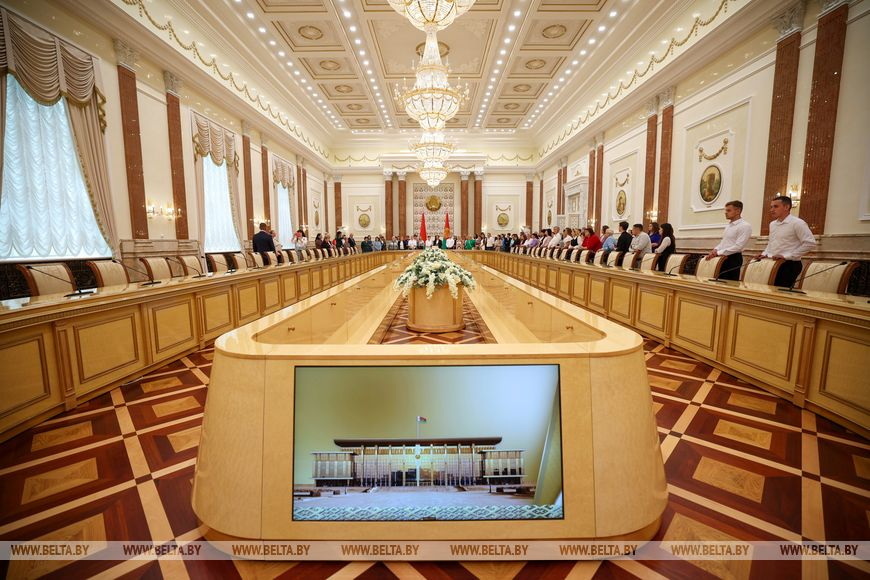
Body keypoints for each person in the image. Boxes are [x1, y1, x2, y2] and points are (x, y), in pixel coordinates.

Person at [756, 195, 816, 287]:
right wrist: (765, 254)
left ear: (786, 207)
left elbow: (810, 243)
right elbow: (771, 243)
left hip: (789, 265)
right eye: (771, 207)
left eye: (775, 206)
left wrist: (787, 256)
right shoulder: (772, 224)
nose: (771, 210)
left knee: (780, 293)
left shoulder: (797, 223)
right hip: (772, 263)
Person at [705, 200, 752, 281]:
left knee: (730, 284)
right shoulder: (729, 226)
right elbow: (724, 242)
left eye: (729, 210)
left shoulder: (745, 226)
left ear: (738, 211)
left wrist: (718, 253)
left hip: (733, 259)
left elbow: (738, 246)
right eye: (726, 210)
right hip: (722, 258)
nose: (725, 213)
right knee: (718, 282)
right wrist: (715, 249)